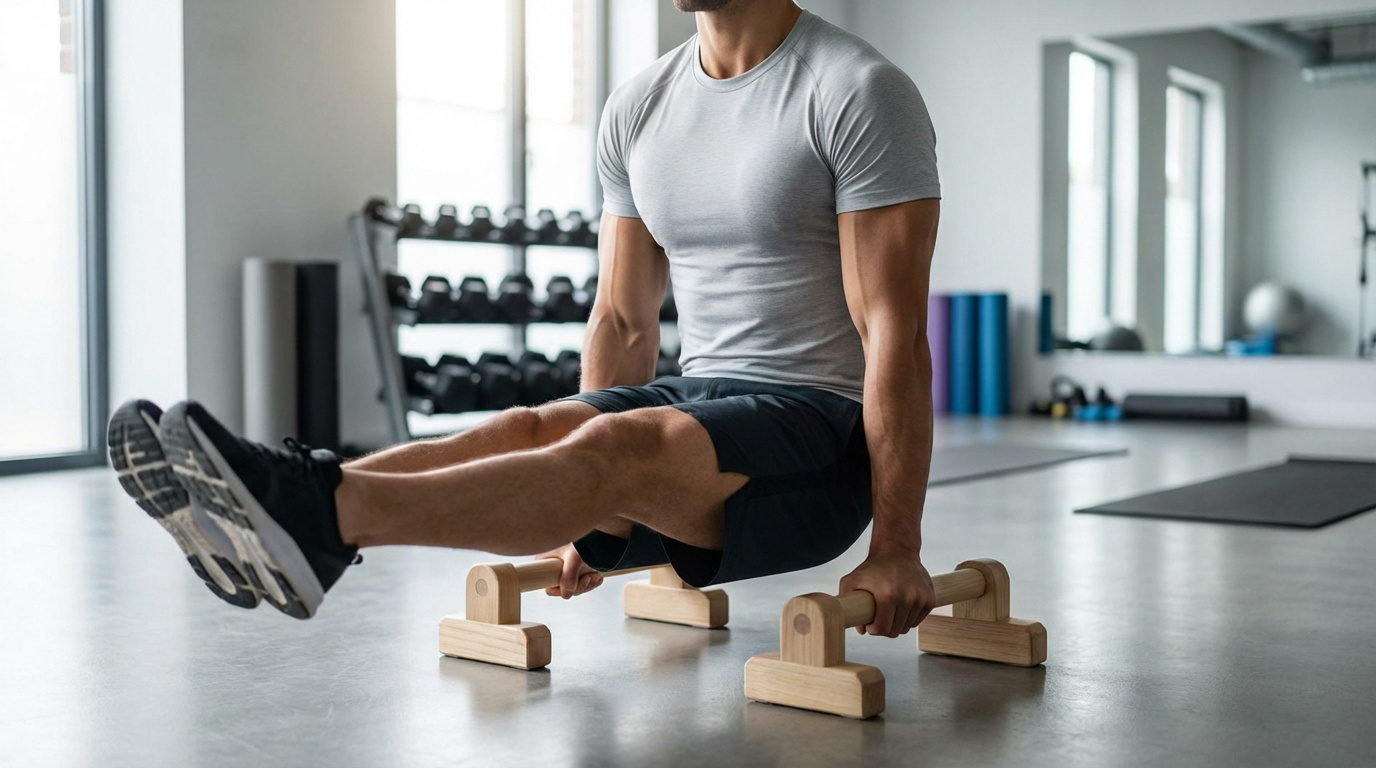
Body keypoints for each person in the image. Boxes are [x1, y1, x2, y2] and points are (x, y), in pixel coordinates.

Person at [107, 0, 942, 638]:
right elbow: (620, 318)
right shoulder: (642, 104)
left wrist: (897, 544)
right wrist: (580, 512)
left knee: (616, 446)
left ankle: (320, 516)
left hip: (820, 438)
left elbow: (893, 336)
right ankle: (301, 493)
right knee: (535, 423)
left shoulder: (856, 91)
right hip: (703, 403)